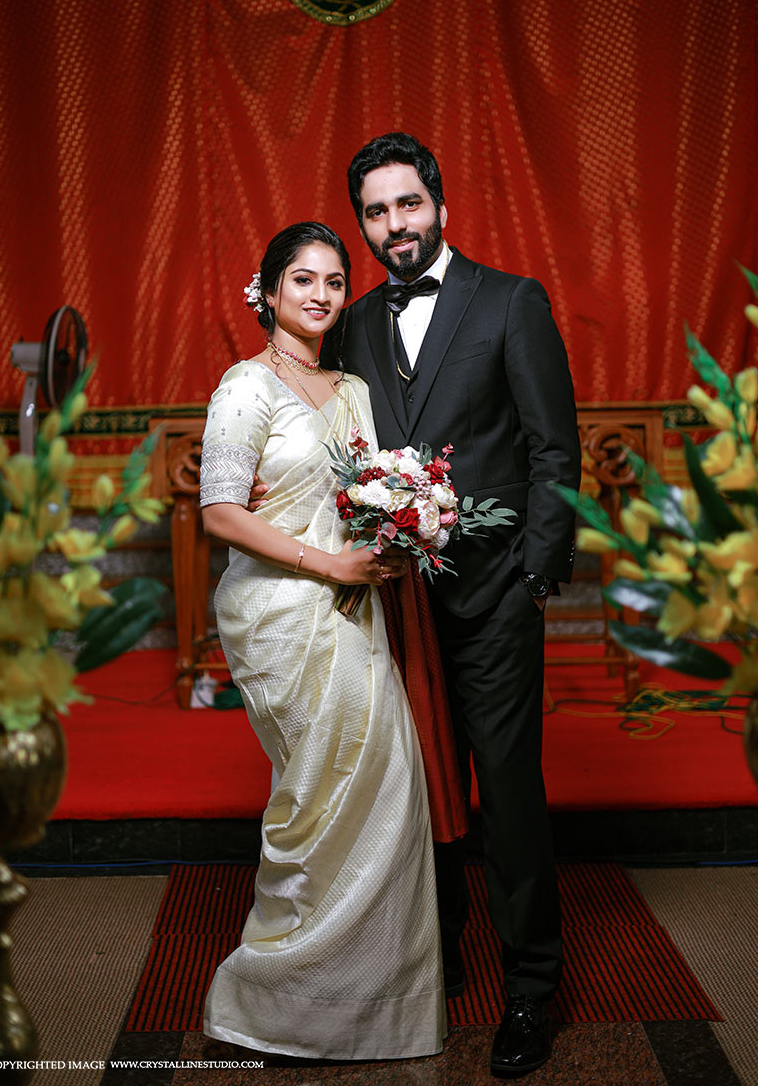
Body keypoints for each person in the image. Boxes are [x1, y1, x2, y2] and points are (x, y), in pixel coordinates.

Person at [321, 133, 581, 1077]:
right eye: (377, 212)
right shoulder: (353, 323)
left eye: (408, 204)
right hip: (394, 606)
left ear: (439, 205)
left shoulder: (511, 301)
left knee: (507, 795)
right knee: (415, 790)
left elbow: (554, 446)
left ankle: (531, 986)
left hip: (495, 593)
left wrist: (535, 575)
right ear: (363, 226)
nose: (395, 225)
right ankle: (439, 949)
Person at [199, 221, 446, 1062]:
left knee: (387, 784)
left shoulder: (354, 391)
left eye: (335, 282)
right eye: (302, 279)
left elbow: (369, 497)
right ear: (267, 291)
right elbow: (220, 512)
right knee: (314, 797)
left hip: (355, 607)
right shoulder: (245, 386)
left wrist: (405, 525)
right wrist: (328, 563)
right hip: (279, 614)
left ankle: (367, 1007)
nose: (320, 294)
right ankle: (274, 998)